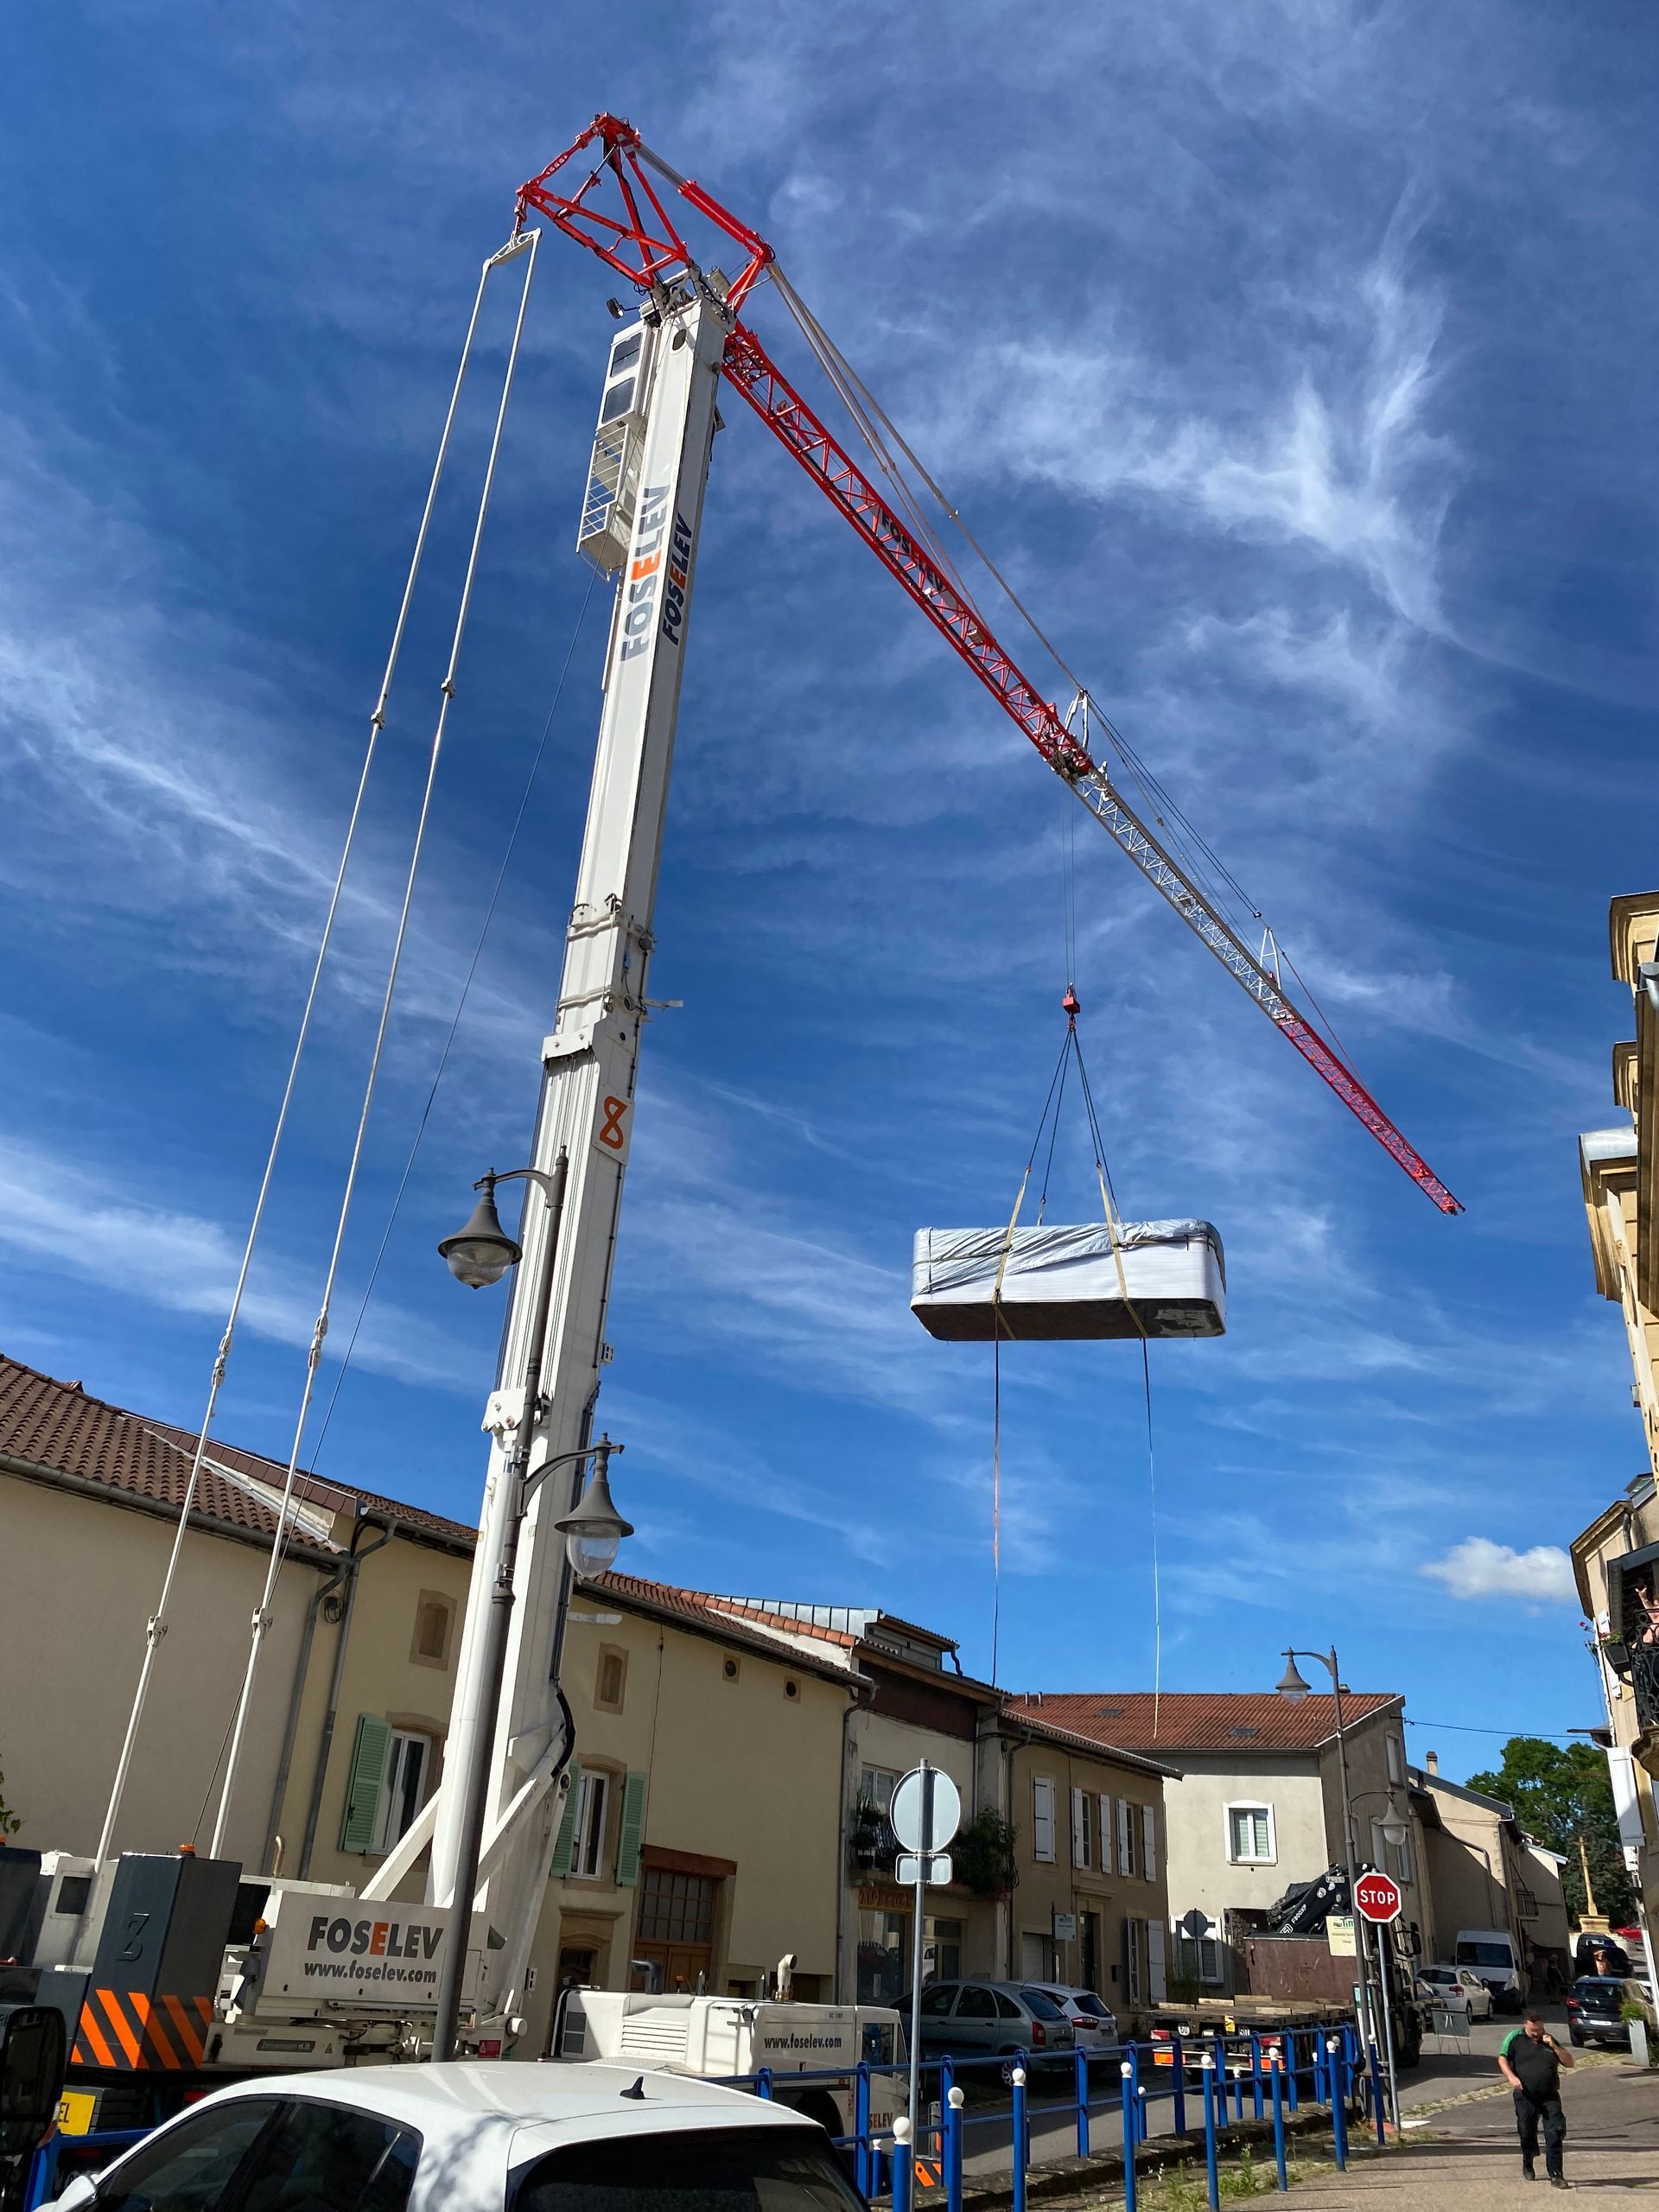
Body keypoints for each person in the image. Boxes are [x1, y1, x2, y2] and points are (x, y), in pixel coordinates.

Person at [1499, 2009, 1575, 2188]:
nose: (1536, 2033)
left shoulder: (1549, 2040)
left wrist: (1555, 2047)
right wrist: (1511, 2077)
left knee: (1555, 2132)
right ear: (1525, 2024)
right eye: (1533, 2030)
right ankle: (1528, 2158)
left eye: (1539, 2029)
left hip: (1549, 2095)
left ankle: (1556, 2175)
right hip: (1525, 2095)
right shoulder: (1515, 2038)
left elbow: (1570, 2062)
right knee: (1526, 2131)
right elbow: (1502, 2059)